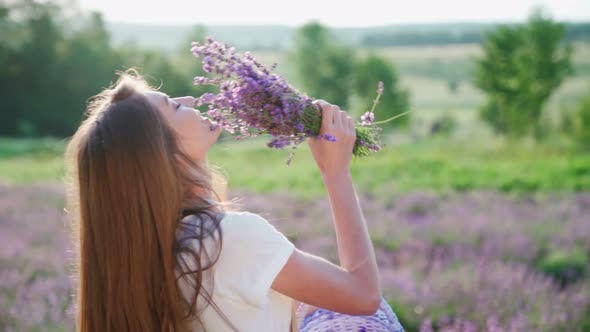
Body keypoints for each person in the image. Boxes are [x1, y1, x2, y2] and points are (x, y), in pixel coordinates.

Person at [64, 69, 404, 332]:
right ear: (161, 154)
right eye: (172, 105)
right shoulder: (226, 239)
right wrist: (336, 174)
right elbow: (362, 296)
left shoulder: (142, 250)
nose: (190, 100)